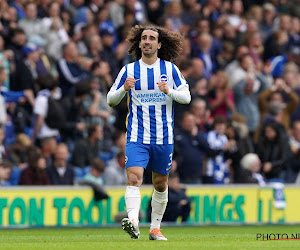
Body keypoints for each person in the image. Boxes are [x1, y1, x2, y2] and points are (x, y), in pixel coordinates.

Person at [107, 25, 191, 241]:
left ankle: (155, 228)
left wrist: (168, 91)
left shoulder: (170, 69)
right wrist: (124, 89)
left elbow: (187, 97)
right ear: (139, 43)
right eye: (144, 38)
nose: (147, 41)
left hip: (163, 137)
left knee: (160, 184)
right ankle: (133, 221)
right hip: (137, 136)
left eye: (151, 38)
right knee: (134, 178)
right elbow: (110, 100)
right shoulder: (128, 71)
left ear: (158, 44)